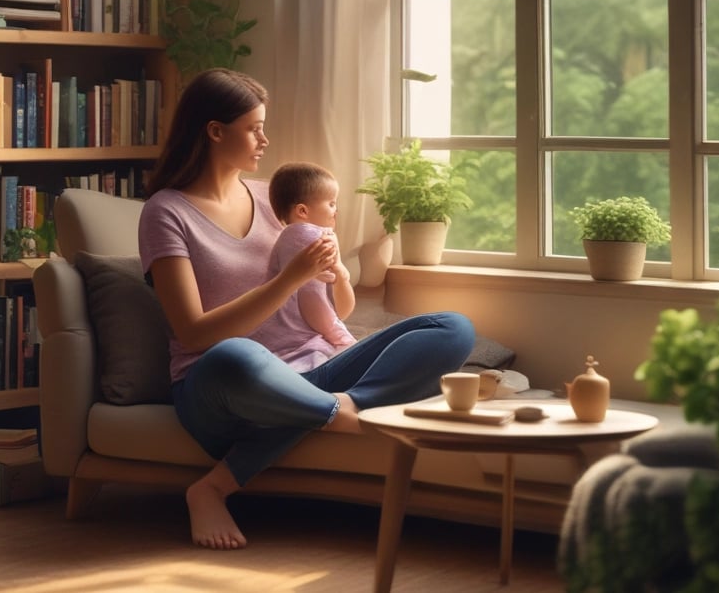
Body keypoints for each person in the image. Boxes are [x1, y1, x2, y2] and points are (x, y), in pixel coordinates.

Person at [137, 68, 476, 551]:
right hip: (221, 388)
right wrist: (289, 277)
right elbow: (194, 334)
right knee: (236, 355)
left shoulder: (272, 198)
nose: (265, 139)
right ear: (215, 131)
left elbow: (329, 304)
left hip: (308, 373)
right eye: (254, 127)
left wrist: (334, 271)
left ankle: (338, 409)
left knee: (452, 328)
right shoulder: (165, 212)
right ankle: (349, 412)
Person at [267, 161, 357, 362]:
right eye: (331, 203)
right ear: (302, 211)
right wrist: (338, 334)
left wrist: (340, 272)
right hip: (298, 340)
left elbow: (340, 309)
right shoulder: (308, 237)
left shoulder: (290, 238)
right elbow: (312, 300)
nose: (336, 210)